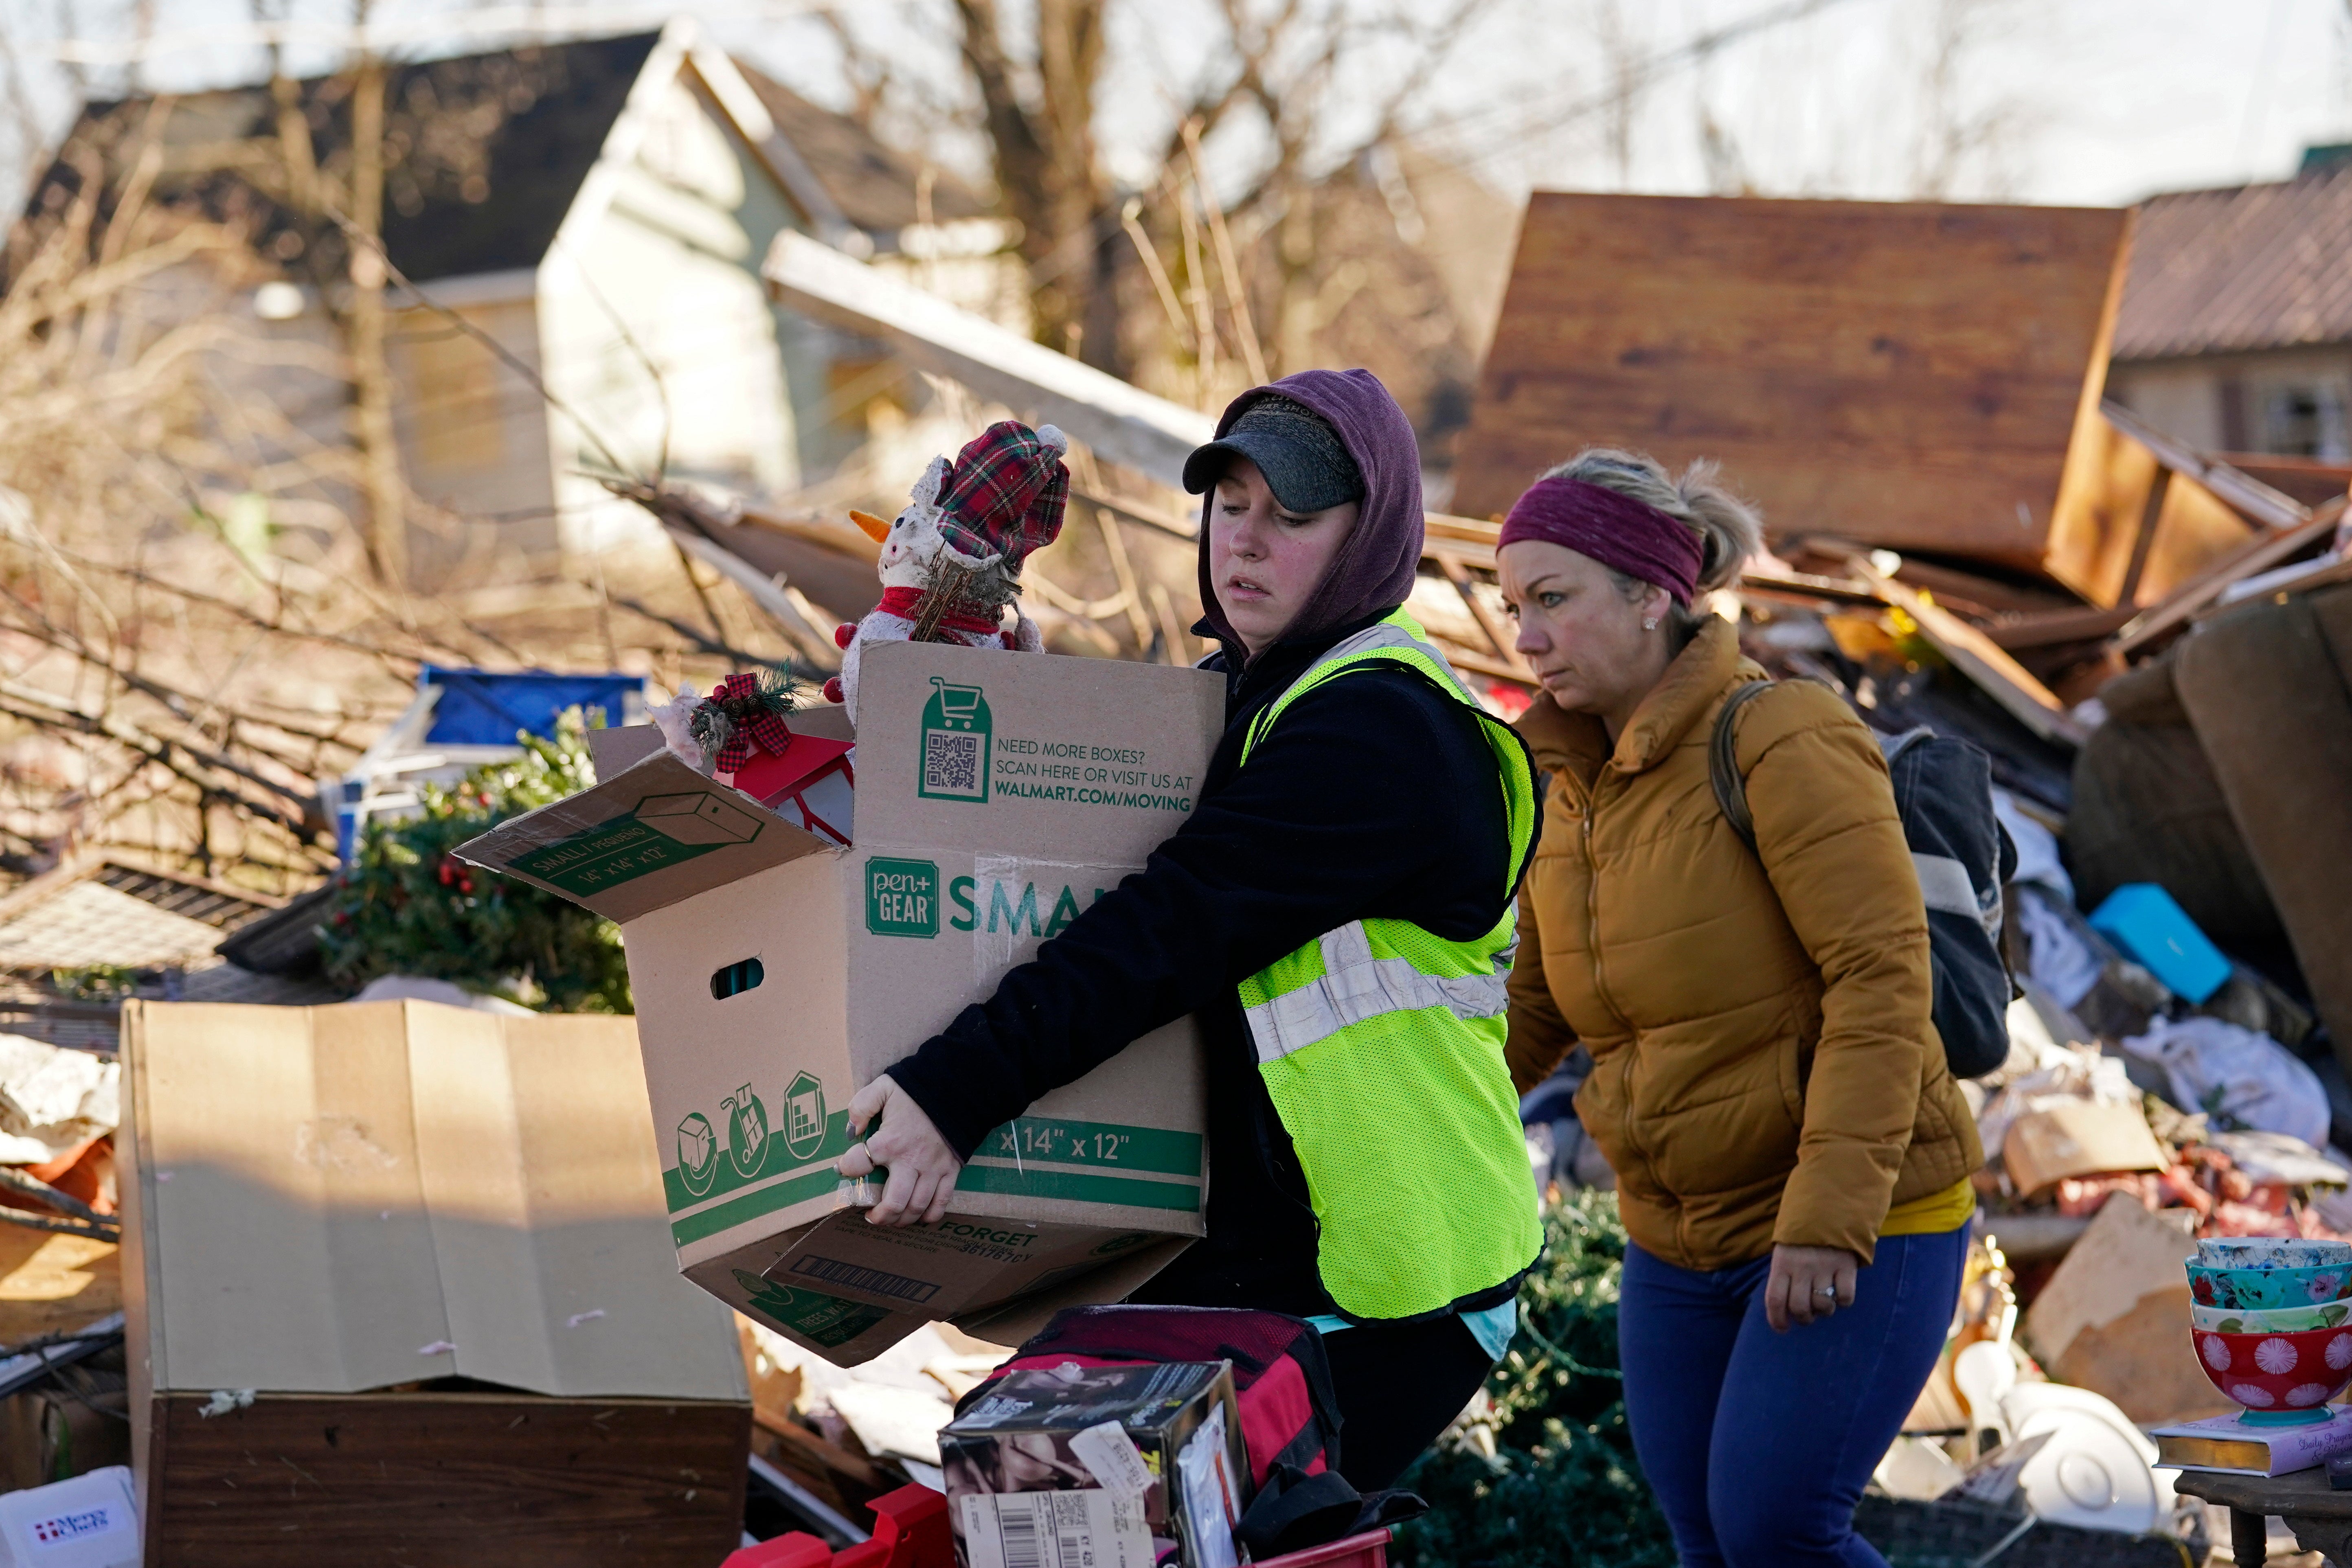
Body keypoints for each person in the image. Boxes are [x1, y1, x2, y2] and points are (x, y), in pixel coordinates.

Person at [835, 368, 1542, 1489]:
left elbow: (1170, 924)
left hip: (1392, 1278)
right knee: (1037, 1496)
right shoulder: (1242, 696)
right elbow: (1081, 843)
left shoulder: (1381, 729)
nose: (1248, 543)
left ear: (1374, 536)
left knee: (1154, 1521)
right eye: (1231, 506)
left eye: (1295, 516)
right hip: (1249, 1252)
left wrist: (953, 1090)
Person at [1497, 449, 1982, 1568]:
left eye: (1554, 600)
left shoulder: (1778, 736)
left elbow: (1882, 980)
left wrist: (1824, 1219)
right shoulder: (1562, 783)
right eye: (1516, 605)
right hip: (1676, 1234)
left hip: (1858, 1213)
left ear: (1653, 593)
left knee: (1779, 1531)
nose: (1526, 637)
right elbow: (1534, 1009)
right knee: (1709, 1542)